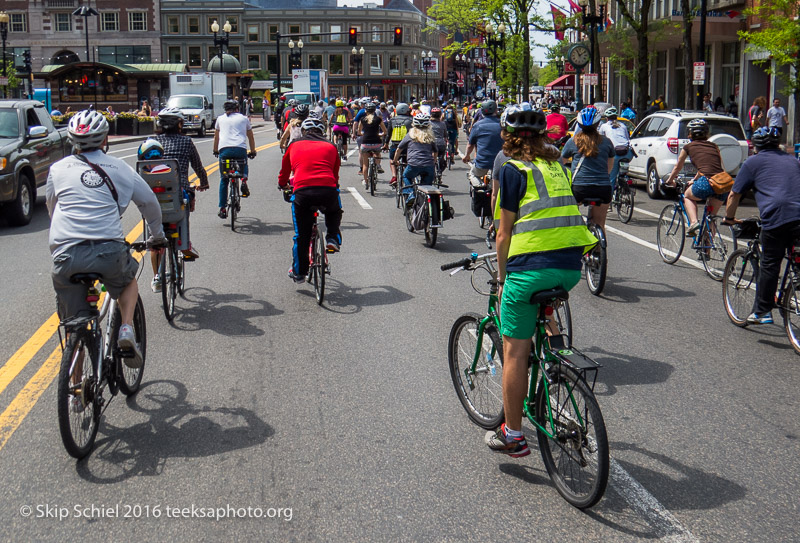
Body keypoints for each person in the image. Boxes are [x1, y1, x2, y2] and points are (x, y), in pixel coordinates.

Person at [485, 106, 597, 457]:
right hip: (570, 266)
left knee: (514, 351)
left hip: (530, 268)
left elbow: (503, 235)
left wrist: (503, 279)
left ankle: (513, 435)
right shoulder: (558, 166)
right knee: (542, 305)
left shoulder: (512, 168)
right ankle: (554, 354)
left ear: (509, 137)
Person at [46, 109, 166, 372]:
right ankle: (125, 327)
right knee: (127, 281)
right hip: (108, 250)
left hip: (66, 254)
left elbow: (53, 209)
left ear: (72, 140)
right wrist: (157, 236)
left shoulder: (57, 169)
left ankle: (75, 389)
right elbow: (149, 203)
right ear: (105, 140)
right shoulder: (120, 168)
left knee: (73, 325)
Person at [723, 127, 800, 324]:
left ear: (755, 146)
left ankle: (762, 311)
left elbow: (734, 194)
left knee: (770, 262)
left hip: (778, 216)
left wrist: (729, 218)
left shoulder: (752, 162)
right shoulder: (792, 159)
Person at [278, 116, 343, 283]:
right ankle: (333, 238)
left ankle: (300, 272)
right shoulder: (331, 146)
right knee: (334, 211)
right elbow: (335, 174)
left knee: (302, 235)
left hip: (303, 192)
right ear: (322, 131)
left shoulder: (294, 145)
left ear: (304, 131)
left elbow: (284, 171)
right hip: (327, 190)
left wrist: (282, 184)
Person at [148, 107, 210, 284]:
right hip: (179, 193)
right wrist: (204, 183)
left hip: (154, 195)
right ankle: (184, 243)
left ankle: (156, 277)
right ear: (180, 124)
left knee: (155, 237)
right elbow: (198, 166)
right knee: (183, 209)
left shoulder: (151, 142)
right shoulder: (186, 141)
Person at [663, 118, 728, 234]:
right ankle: (708, 249)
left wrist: (669, 181)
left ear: (690, 134)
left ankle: (693, 223)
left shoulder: (688, 147)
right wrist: (694, 179)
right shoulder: (714, 146)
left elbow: (678, 167)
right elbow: (716, 167)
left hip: (706, 182)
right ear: (707, 134)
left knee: (687, 196)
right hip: (722, 183)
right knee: (711, 218)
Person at [561, 107, 615, 231]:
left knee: (571, 221)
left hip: (580, 188)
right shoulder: (606, 142)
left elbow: (561, 163)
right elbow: (610, 166)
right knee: (600, 224)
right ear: (597, 124)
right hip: (603, 188)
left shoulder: (572, 141)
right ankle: (599, 246)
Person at [213, 99, 257, 219]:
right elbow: (250, 136)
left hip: (225, 150)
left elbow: (216, 137)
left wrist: (215, 150)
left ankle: (222, 208)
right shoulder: (244, 119)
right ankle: (244, 179)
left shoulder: (220, 119)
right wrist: (253, 151)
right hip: (239, 149)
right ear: (237, 108)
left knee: (224, 179)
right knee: (243, 165)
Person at [394, 113, 437, 205]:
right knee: (426, 187)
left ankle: (411, 193)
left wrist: (395, 160)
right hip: (428, 165)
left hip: (414, 164)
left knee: (406, 176)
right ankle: (424, 205)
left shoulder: (410, 135)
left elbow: (399, 149)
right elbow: (435, 151)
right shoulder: (430, 136)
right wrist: (433, 161)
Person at [463, 100, 503, 188]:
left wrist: (466, 156)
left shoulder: (478, 125)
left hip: (483, 162)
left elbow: (470, 145)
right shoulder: (502, 125)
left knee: (472, 174)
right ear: (496, 111)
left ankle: (480, 187)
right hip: (501, 162)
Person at [598, 107, 633, 185]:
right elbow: (628, 139)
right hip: (628, 153)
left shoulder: (604, 126)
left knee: (611, 178)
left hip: (615, 154)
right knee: (622, 170)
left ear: (607, 118)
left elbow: (600, 141)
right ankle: (624, 177)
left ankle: (610, 196)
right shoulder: (623, 125)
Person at [357, 102, 387, 188]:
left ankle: (366, 182)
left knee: (365, 164)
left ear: (366, 111)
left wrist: (363, 134)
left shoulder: (362, 119)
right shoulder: (378, 119)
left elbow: (359, 132)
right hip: (376, 142)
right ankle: (378, 165)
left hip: (365, 142)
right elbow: (385, 131)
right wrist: (380, 135)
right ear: (375, 111)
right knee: (377, 153)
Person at [384, 102, 414, 187]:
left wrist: (386, 144)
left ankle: (394, 176)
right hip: (408, 146)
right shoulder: (411, 120)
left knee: (392, 159)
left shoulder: (393, 120)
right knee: (408, 161)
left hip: (395, 145)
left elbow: (388, 134)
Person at [429, 107, 448, 174]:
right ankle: (439, 172)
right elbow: (445, 135)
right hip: (441, 143)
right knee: (441, 159)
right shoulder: (442, 124)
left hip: (430, 143)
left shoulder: (428, 123)